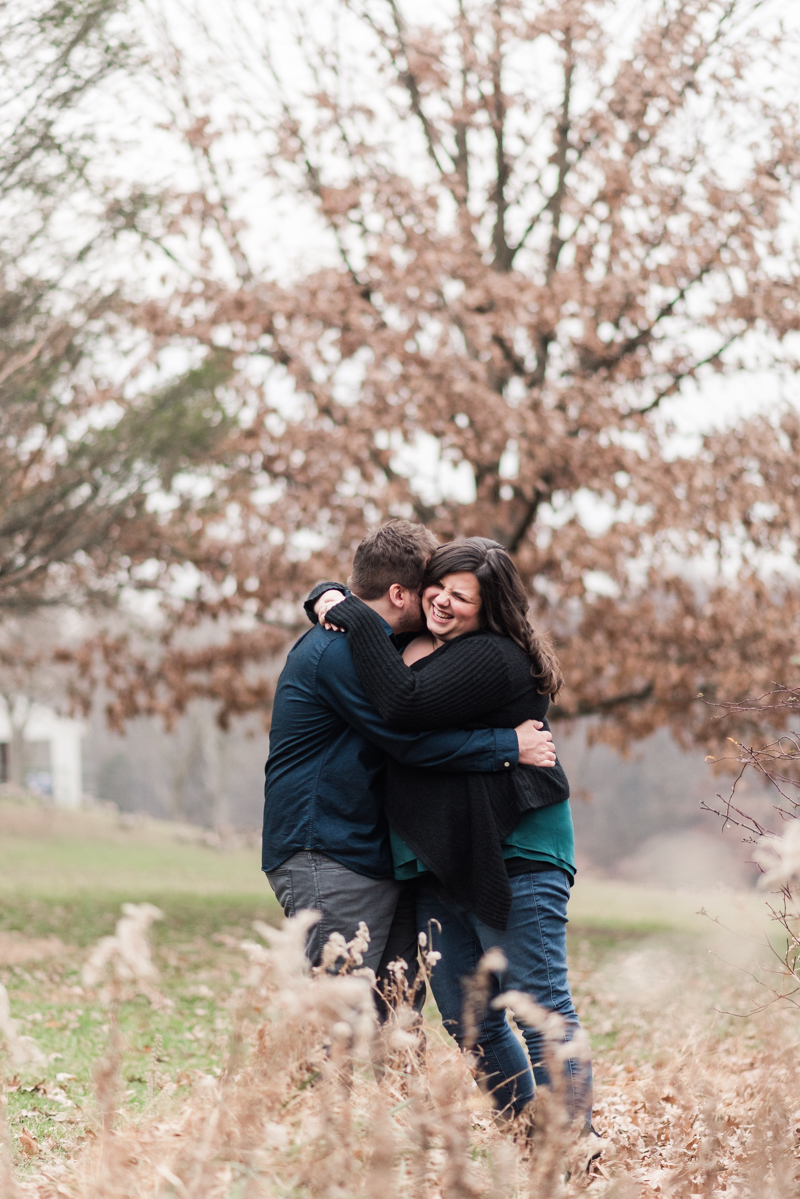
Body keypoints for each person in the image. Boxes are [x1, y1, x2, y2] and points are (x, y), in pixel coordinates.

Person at [315, 537, 592, 1128]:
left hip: (514, 847)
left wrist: (346, 608)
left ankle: (576, 1154)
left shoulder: (491, 655)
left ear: (488, 608)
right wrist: (326, 594)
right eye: (436, 585)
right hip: (444, 855)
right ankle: (532, 1142)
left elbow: (403, 703)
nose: (440, 600)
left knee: (540, 1007)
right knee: (472, 1020)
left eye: (459, 595)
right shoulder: (426, 645)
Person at [262, 521, 556, 998]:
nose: (438, 599)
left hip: (368, 851)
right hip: (326, 846)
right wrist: (508, 746)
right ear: (400, 594)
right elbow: (406, 736)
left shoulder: (377, 644)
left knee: (394, 1009)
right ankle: (298, 1079)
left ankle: (402, 1080)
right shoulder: (339, 651)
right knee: (332, 1014)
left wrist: (327, 594)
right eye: (432, 586)